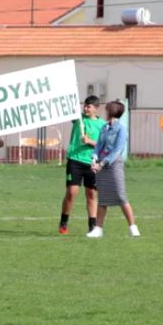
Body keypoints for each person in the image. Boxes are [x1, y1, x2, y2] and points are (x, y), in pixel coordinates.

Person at [88, 100, 140, 238]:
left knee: (121, 196)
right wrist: (94, 159)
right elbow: (99, 145)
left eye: (107, 110)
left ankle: (133, 227)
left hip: (113, 164)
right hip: (101, 164)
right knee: (103, 198)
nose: (105, 112)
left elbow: (117, 150)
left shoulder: (121, 129)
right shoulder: (104, 128)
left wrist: (103, 163)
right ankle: (98, 229)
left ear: (112, 111)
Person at [58, 95, 106, 235]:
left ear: (96, 109)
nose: (85, 108)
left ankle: (92, 226)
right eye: (84, 105)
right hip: (75, 160)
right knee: (72, 192)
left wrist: (89, 141)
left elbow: (104, 146)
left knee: (91, 193)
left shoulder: (102, 125)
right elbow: (66, 109)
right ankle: (64, 220)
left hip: (92, 162)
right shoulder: (78, 118)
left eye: (89, 106)